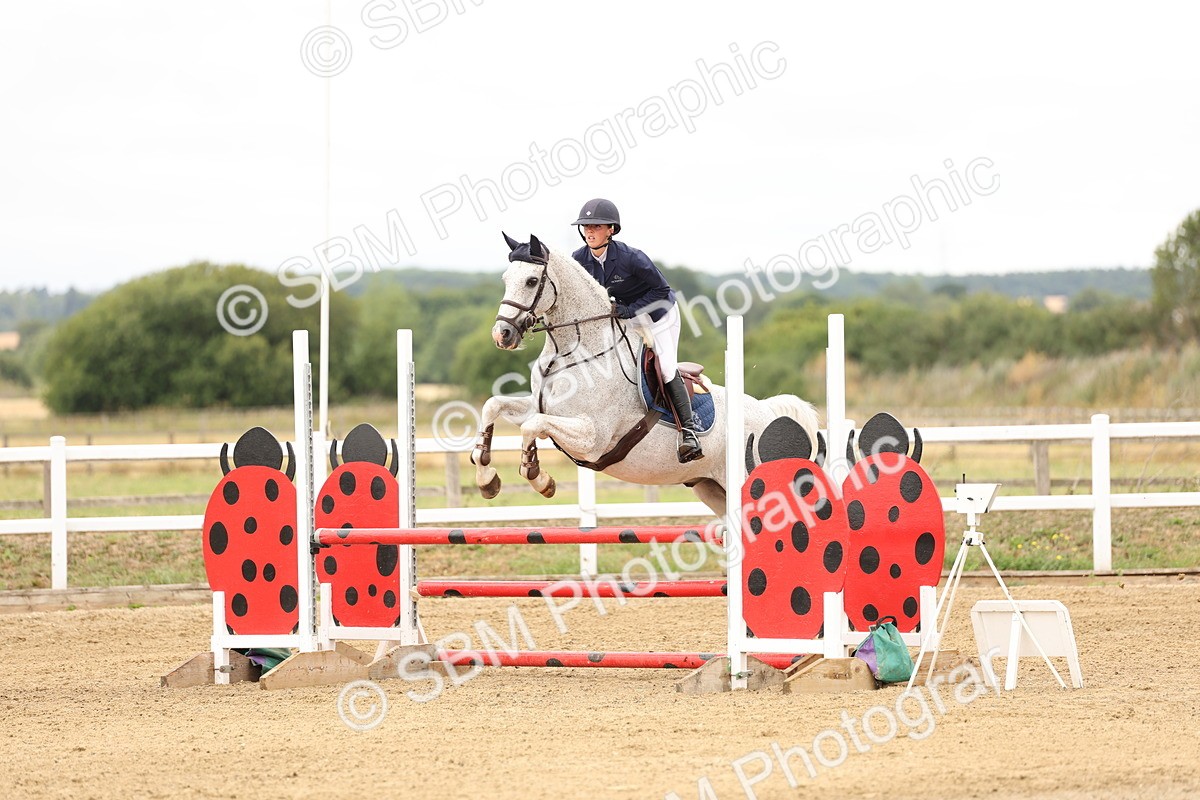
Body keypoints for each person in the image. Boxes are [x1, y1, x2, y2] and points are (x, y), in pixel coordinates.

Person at [570, 198, 703, 463]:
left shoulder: (632, 258)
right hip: (625, 317)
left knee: (665, 367)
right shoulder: (579, 260)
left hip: (659, 314)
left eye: (596, 226)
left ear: (611, 229)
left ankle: (689, 432)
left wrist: (631, 310)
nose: (589, 231)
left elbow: (663, 292)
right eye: (585, 226)